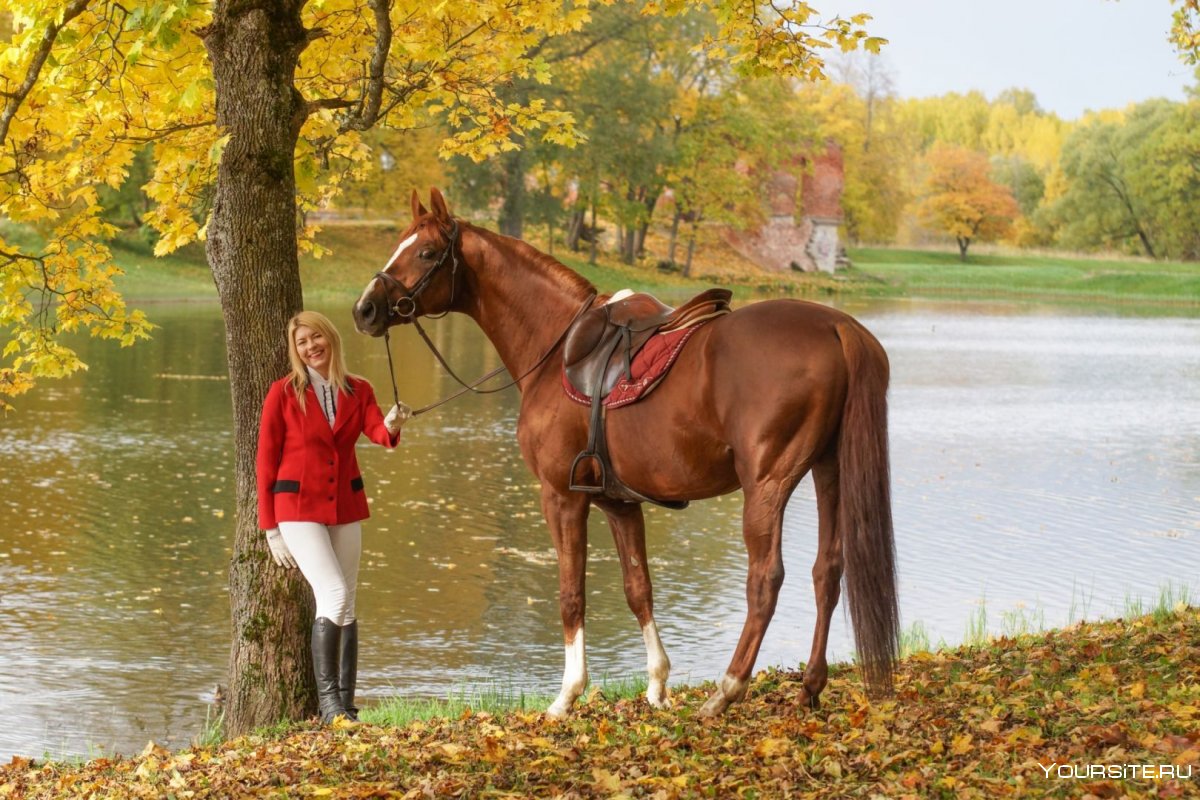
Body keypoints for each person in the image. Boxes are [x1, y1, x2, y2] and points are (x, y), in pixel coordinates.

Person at [255, 310, 410, 724]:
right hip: (296, 508)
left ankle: (346, 705)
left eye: (316, 338)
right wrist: (270, 529)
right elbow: (265, 463)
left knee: (350, 602)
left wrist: (392, 423)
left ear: (331, 339)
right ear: (296, 350)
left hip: (345, 504)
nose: (311, 347)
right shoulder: (283, 393)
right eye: (302, 342)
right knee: (335, 594)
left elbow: (380, 434)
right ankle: (329, 706)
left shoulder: (358, 389)